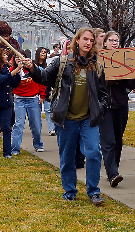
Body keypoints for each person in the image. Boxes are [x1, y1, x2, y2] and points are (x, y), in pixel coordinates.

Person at [25, 27, 109, 206]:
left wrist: (100, 108)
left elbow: (103, 94)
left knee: (94, 153)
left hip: (89, 119)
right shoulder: (62, 63)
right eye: (85, 39)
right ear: (77, 41)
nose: (88, 43)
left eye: (91, 40)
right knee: (67, 156)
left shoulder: (97, 66)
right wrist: (32, 67)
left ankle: (93, 192)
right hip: (66, 119)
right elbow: (44, 78)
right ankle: (69, 191)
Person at [99, 31, 135, 187]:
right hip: (104, 106)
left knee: (118, 139)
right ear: (105, 43)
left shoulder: (124, 59)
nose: (115, 43)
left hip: (121, 105)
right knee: (108, 141)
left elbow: (132, 86)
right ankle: (113, 173)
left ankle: (113, 167)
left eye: (117, 40)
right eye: (111, 40)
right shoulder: (98, 61)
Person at [0, 47, 21, 158]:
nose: (7, 56)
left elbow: (14, 83)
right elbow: (1, 79)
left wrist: (16, 71)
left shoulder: (7, 69)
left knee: (7, 127)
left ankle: (7, 152)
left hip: (6, 104)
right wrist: (14, 71)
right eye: (4, 55)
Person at [11, 49, 46, 154]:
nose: (19, 59)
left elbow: (41, 81)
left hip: (33, 99)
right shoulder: (12, 70)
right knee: (19, 124)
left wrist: (42, 96)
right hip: (19, 99)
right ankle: (15, 148)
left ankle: (38, 144)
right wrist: (17, 69)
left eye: (21, 57)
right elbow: (9, 81)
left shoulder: (33, 69)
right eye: (17, 57)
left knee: (36, 124)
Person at [36, 47, 57, 136]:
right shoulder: (34, 65)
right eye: (42, 52)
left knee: (48, 110)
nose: (43, 54)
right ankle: (38, 129)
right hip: (37, 92)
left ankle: (52, 128)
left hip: (47, 90)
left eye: (45, 52)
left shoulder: (48, 64)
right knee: (37, 112)